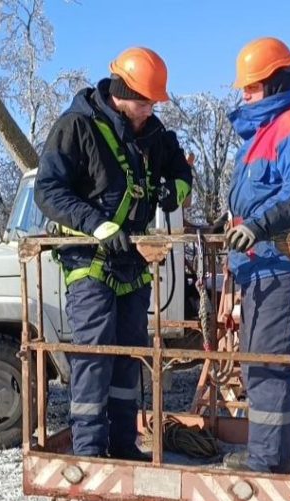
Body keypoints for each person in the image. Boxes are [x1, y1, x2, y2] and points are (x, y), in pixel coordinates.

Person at [34, 47, 193, 461]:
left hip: (134, 264)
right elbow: (48, 191)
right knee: (95, 355)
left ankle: (123, 447)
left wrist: (171, 191)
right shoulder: (76, 128)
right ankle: (89, 454)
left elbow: (181, 175)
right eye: (144, 103)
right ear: (122, 94)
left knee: (127, 358)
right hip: (90, 263)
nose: (149, 111)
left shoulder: (154, 135)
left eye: (153, 104)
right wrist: (96, 224)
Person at [223, 37, 290, 474]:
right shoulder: (264, 132)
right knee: (258, 365)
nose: (244, 95)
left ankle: (267, 464)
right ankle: (273, 454)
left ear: (274, 83)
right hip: (260, 266)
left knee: (267, 366)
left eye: (250, 87)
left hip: (282, 265)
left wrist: (256, 226)